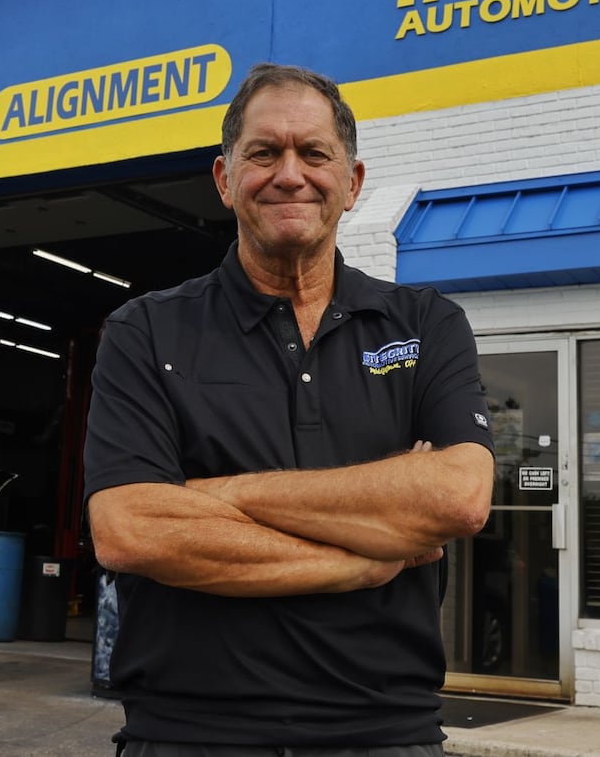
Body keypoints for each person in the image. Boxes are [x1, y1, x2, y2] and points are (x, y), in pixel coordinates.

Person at [83, 62, 495, 755]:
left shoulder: (424, 323)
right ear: (224, 179)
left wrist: (217, 496)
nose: (289, 174)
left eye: (314, 153)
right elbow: (131, 530)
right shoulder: (146, 330)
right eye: (264, 153)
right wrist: (366, 555)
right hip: (187, 736)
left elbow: (456, 498)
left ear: (353, 183)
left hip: (385, 736)